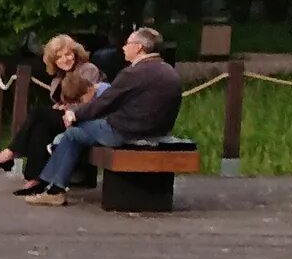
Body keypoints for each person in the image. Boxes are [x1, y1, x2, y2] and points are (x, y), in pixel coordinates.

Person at [25, 26, 181, 204]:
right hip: (158, 132)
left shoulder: (133, 73)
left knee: (72, 133)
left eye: (127, 43)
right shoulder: (169, 71)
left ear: (138, 47)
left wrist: (75, 114)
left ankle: (54, 189)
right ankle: (54, 183)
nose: (123, 47)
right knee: (76, 133)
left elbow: (106, 102)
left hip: (126, 132)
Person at [0, 35, 102, 188]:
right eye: (59, 57)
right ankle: (35, 178)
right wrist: (61, 105)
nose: (64, 59)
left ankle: (10, 153)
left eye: (68, 54)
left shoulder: (88, 69)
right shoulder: (59, 76)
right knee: (40, 128)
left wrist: (68, 108)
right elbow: (64, 99)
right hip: (68, 117)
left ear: (75, 53)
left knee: (38, 114)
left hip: (85, 118)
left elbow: (89, 99)